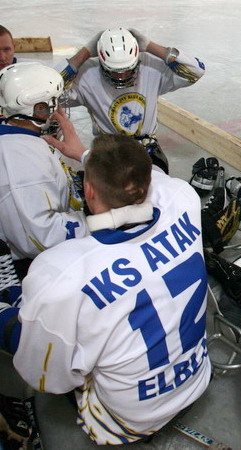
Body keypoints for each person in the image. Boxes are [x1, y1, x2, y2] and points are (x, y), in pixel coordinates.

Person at [0, 107, 211, 444]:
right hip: (196, 377)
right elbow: (155, 178)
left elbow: (45, 377)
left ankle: (8, 299)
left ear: (91, 191)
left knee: (20, 322)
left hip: (128, 419)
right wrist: (87, 154)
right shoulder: (182, 199)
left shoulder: (61, 270)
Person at [59, 27, 206, 173]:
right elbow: (51, 92)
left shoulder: (150, 65)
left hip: (147, 150)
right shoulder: (87, 74)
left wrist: (151, 47)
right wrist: (84, 54)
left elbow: (196, 72)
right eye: (114, 72)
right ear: (102, 64)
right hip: (108, 151)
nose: (121, 77)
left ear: (137, 61)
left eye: (127, 70)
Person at [0, 62, 87, 277]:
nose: (58, 109)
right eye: (52, 103)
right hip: (37, 269)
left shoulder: (22, 140)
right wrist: (98, 220)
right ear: (38, 109)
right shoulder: (21, 164)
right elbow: (41, 237)